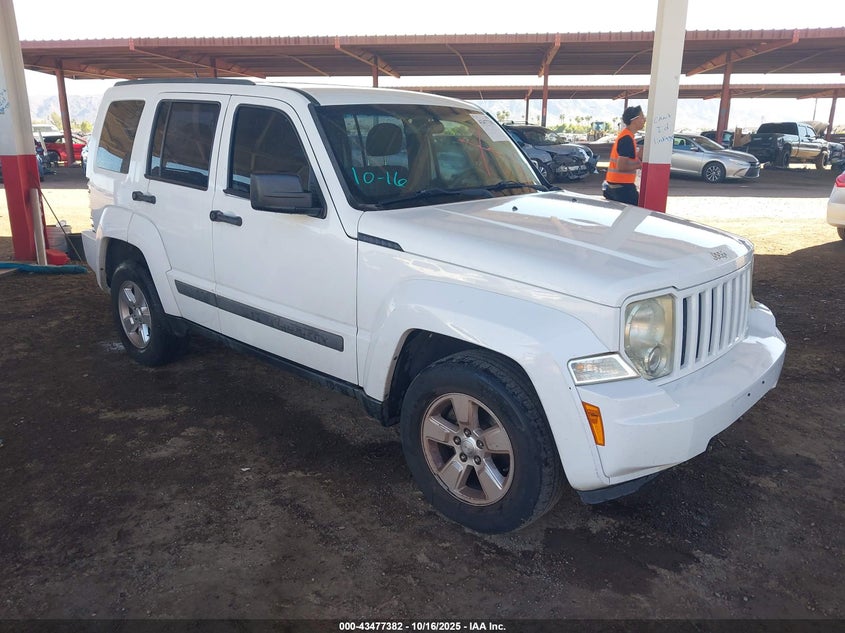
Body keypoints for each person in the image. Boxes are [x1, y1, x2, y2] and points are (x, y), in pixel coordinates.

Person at [603, 105, 646, 206]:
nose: (644, 120)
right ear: (634, 120)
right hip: (622, 187)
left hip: (617, 184)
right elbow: (622, 166)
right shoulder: (627, 139)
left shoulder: (627, 136)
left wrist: (639, 157)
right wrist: (641, 164)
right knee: (636, 212)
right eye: (642, 117)